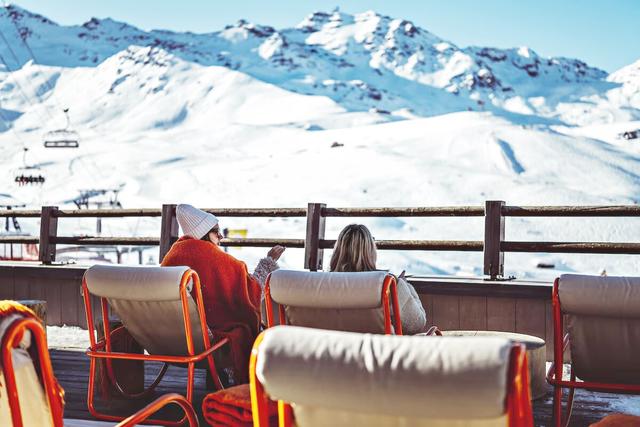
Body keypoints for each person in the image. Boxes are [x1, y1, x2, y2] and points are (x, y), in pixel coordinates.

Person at [161, 204, 284, 384]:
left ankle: (216, 376)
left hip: (171, 341)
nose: (221, 236)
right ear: (204, 233)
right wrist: (269, 261)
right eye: (216, 232)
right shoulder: (215, 259)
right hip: (209, 345)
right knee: (239, 328)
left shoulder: (171, 257)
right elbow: (250, 293)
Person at [330, 224, 426, 334]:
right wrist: (405, 287)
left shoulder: (322, 284)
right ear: (371, 251)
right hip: (376, 344)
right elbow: (417, 324)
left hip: (334, 343)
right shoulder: (388, 284)